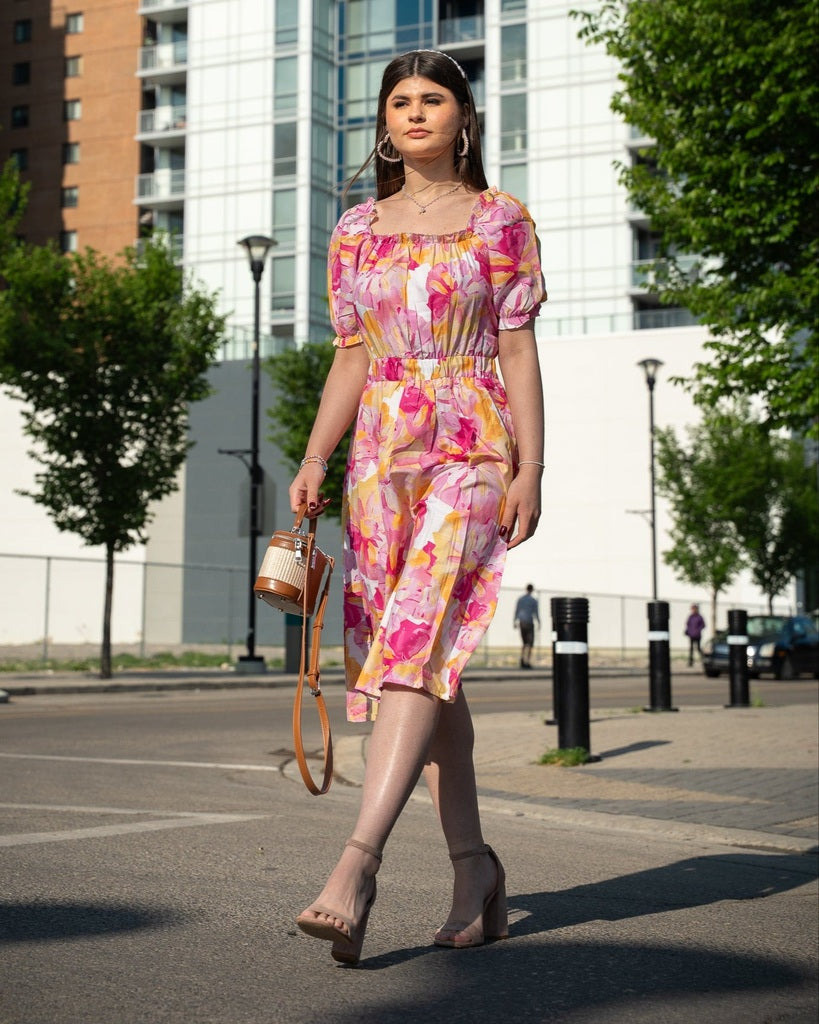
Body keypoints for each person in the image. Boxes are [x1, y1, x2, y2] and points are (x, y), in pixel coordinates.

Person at [288, 49, 546, 965]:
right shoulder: (355, 230)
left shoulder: (500, 219)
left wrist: (530, 468)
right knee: (430, 665)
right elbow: (351, 356)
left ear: (462, 116)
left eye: (432, 99)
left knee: (410, 644)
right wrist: (314, 456)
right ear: (384, 122)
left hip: (473, 443)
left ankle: (355, 866)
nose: (414, 113)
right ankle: (476, 871)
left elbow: (517, 351)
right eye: (399, 101)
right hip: (379, 457)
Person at [514, 584, 540, 668]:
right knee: (530, 643)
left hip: (522, 622)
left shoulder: (521, 599)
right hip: (529, 622)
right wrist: (539, 622)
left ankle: (522, 659)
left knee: (524, 643)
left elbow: (517, 610)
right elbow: (536, 612)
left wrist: (515, 621)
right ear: (532, 590)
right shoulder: (533, 600)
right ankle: (527, 661)